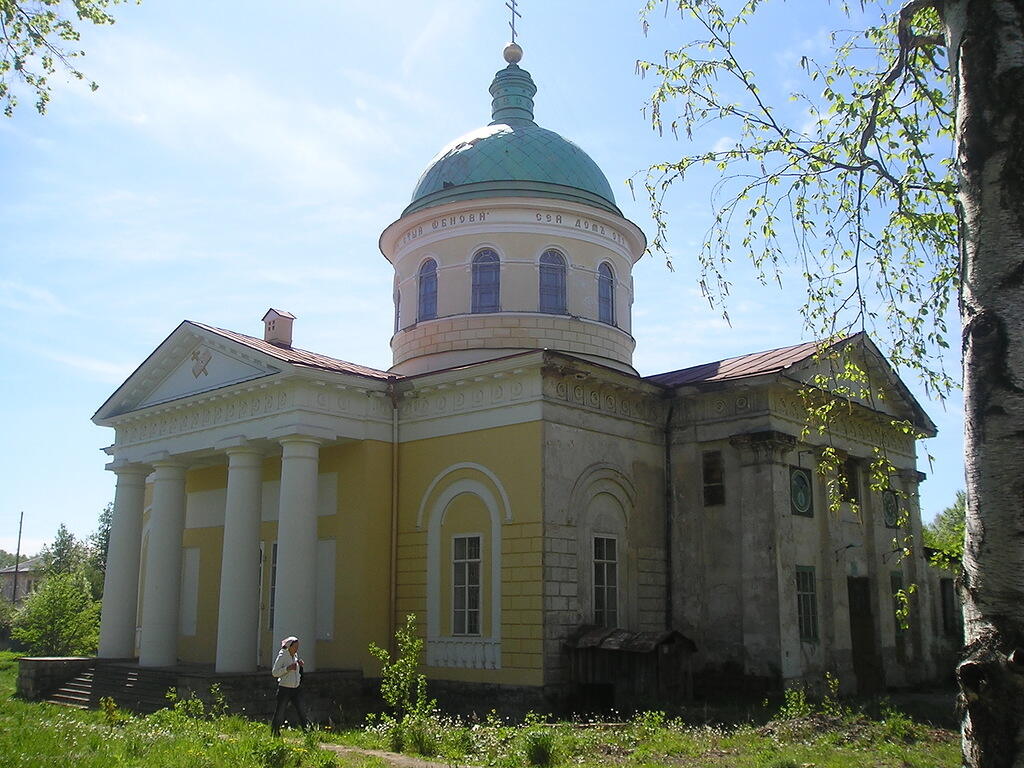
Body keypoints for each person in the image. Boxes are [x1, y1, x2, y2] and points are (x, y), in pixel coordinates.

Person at [271, 635, 309, 736]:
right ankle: (275, 732)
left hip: (296, 688)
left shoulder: (295, 656)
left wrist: (299, 666)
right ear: (289, 646)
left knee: (302, 710)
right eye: (295, 646)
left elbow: (296, 673)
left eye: (297, 646)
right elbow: (275, 673)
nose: (297, 648)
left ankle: (308, 732)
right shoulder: (282, 656)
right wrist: (287, 669)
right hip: (285, 688)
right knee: (280, 711)